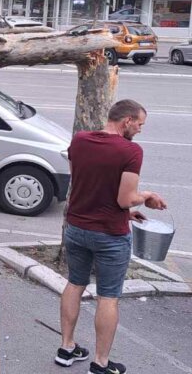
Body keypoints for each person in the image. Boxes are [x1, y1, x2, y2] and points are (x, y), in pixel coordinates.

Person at [56, 99, 167, 374]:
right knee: (108, 296)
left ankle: (66, 348)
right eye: (140, 124)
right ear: (127, 120)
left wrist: (125, 212)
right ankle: (101, 363)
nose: (140, 130)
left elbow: (82, 185)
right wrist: (147, 197)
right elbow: (125, 198)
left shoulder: (80, 140)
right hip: (109, 236)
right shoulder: (130, 151)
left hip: (77, 228)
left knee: (75, 283)